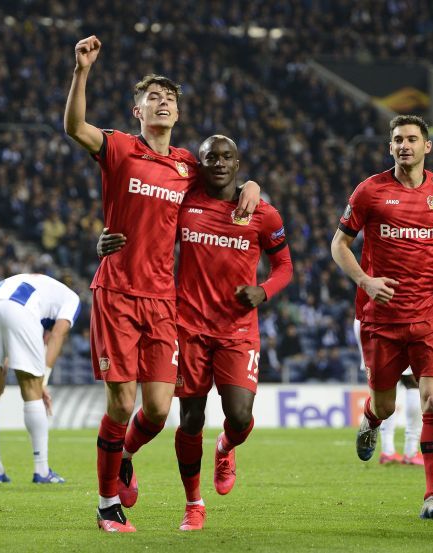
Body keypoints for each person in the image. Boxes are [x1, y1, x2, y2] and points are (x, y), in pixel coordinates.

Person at [63, 36, 259, 532]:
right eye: (154, 97)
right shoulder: (119, 148)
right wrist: (82, 72)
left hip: (163, 299)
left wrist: (254, 187)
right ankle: (107, 504)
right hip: (117, 292)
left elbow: (225, 183)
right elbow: (73, 127)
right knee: (122, 402)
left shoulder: (188, 165)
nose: (164, 102)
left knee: (156, 408)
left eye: (170, 97)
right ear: (137, 110)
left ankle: (124, 456)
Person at [98, 135, 293, 531]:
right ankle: (193, 504)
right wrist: (105, 240)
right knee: (189, 418)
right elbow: (146, 226)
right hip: (186, 325)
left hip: (238, 330)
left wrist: (263, 290)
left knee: (239, 417)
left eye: (227, 157)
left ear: (239, 164)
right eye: (210, 157)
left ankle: (226, 447)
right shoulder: (185, 203)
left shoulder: (262, 213)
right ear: (199, 164)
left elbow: (285, 265)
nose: (219, 163)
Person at [330, 115, 433, 520]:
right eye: (398, 140)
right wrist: (365, 280)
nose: (404, 145)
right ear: (389, 147)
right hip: (382, 318)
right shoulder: (370, 191)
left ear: (427, 146)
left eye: (412, 139)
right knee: (386, 404)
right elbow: (339, 245)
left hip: (432, 314)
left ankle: (432, 496)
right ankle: (370, 419)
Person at [0, 273, 81, 485]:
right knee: (31, 390)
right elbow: (58, 335)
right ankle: (41, 470)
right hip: (20, 308)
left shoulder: (41, 286)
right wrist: (43, 381)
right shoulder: (72, 299)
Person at [354, 270, 433, 466]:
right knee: (398, 387)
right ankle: (406, 450)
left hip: (379, 319)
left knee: (396, 386)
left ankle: (391, 450)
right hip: (390, 322)